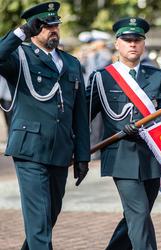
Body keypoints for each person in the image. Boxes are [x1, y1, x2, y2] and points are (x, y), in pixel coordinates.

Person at [0, 2, 90, 249]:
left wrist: (82, 155)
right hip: (30, 149)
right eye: (45, 26)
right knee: (39, 220)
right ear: (34, 28)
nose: (52, 30)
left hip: (60, 149)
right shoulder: (19, 56)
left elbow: (79, 112)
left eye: (55, 25)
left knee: (49, 216)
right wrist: (21, 33)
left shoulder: (70, 63)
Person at [87, 17, 161, 250]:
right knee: (139, 212)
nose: (132, 44)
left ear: (144, 44)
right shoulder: (102, 77)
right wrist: (77, 148)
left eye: (137, 40)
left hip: (152, 156)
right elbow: (84, 115)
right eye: (127, 40)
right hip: (121, 156)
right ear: (117, 44)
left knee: (136, 216)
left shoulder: (157, 76)